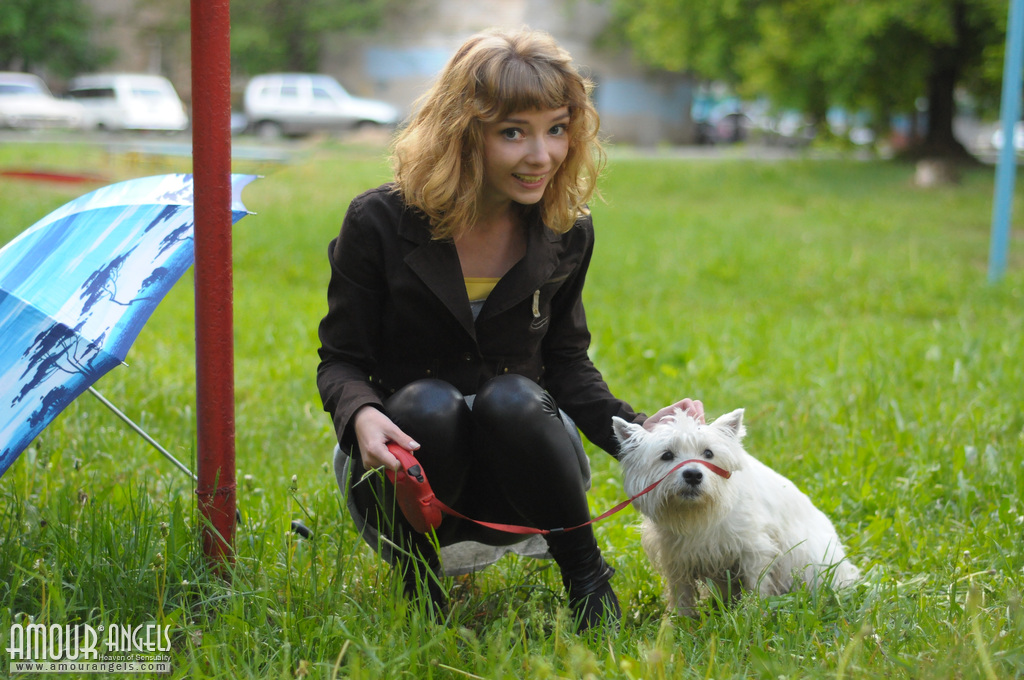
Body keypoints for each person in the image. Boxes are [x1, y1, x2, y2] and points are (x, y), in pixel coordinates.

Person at [316, 27, 704, 632]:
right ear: (464, 134)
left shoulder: (565, 232)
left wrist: (641, 433)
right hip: (409, 477)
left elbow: (567, 363)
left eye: (556, 128)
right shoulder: (381, 222)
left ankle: (586, 576)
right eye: (512, 133)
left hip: (525, 469)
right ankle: (421, 587)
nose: (541, 155)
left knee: (512, 395)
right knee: (429, 402)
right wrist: (362, 414)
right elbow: (340, 359)